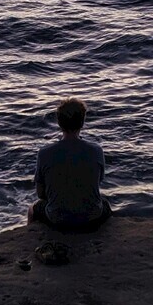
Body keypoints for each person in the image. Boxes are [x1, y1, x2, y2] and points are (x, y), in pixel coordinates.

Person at [28, 97, 112, 231]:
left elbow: (40, 194)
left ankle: (31, 239)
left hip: (57, 218)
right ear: (82, 122)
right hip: (91, 217)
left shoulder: (44, 153)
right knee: (105, 204)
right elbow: (98, 182)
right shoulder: (96, 150)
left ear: (59, 123)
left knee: (32, 209)